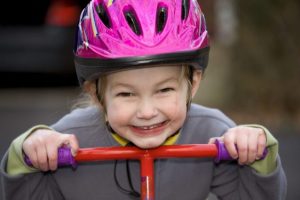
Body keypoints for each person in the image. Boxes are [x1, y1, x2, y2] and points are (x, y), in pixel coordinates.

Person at [1, 0, 286, 199]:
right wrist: (27, 154)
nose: (148, 111)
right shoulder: (69, 140)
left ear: (193, 83)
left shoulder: (212, 134)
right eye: (126, 94)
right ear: (96, 94)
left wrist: (256, 153)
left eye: (165, 90)